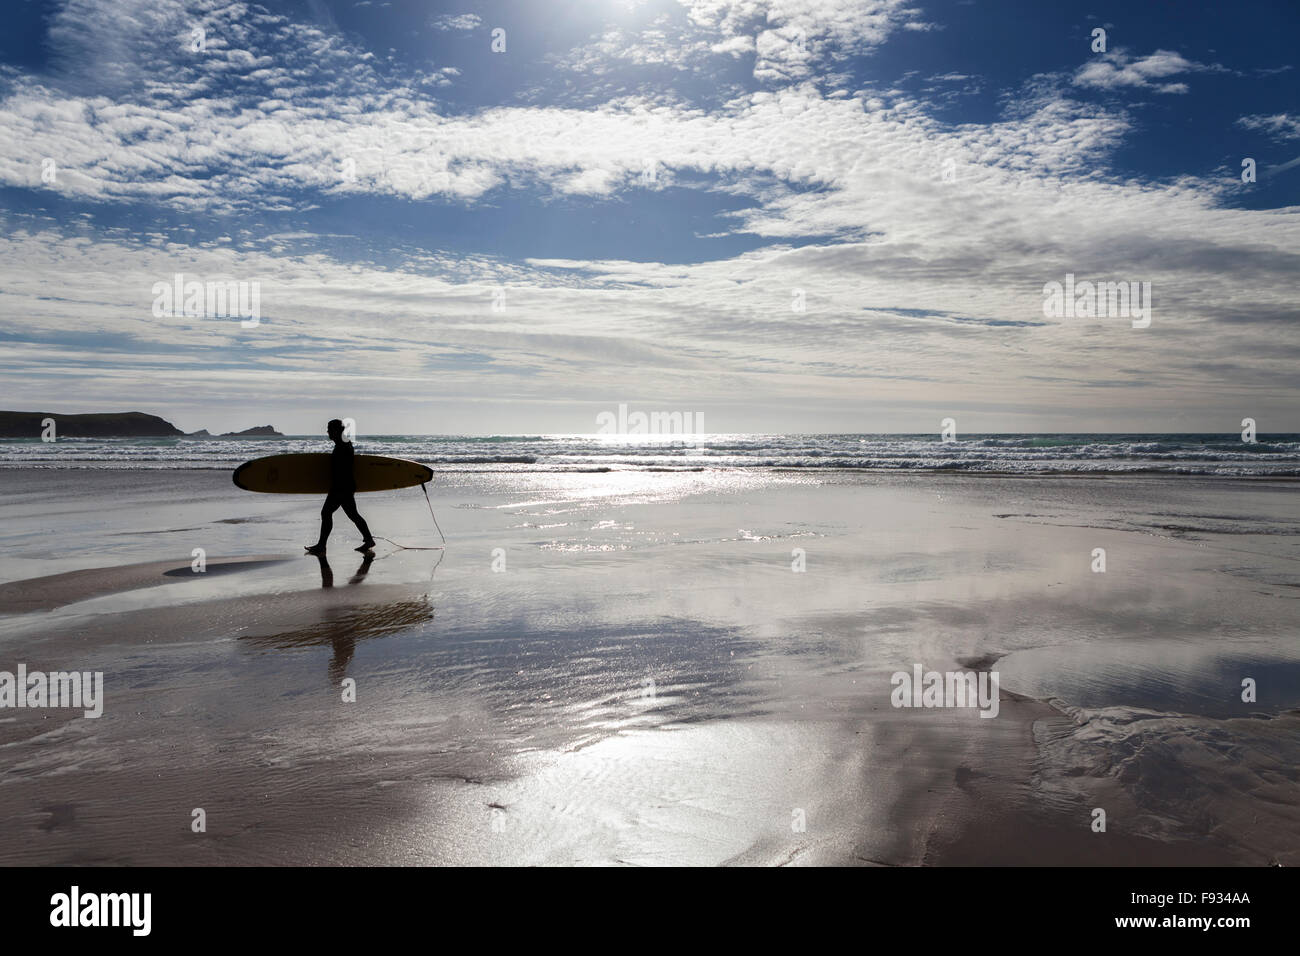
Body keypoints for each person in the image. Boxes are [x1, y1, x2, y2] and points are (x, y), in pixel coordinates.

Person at [305, 419, 376, 554]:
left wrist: (337, 487)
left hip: (341, 487)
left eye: (329, 430)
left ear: (336, 431)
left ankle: (322, 545)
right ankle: (368, 539)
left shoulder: (343, 445)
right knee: (353, 515)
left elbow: (342, 468)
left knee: (326, 513)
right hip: (345, 486)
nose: (328, 432)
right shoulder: (343, 443)